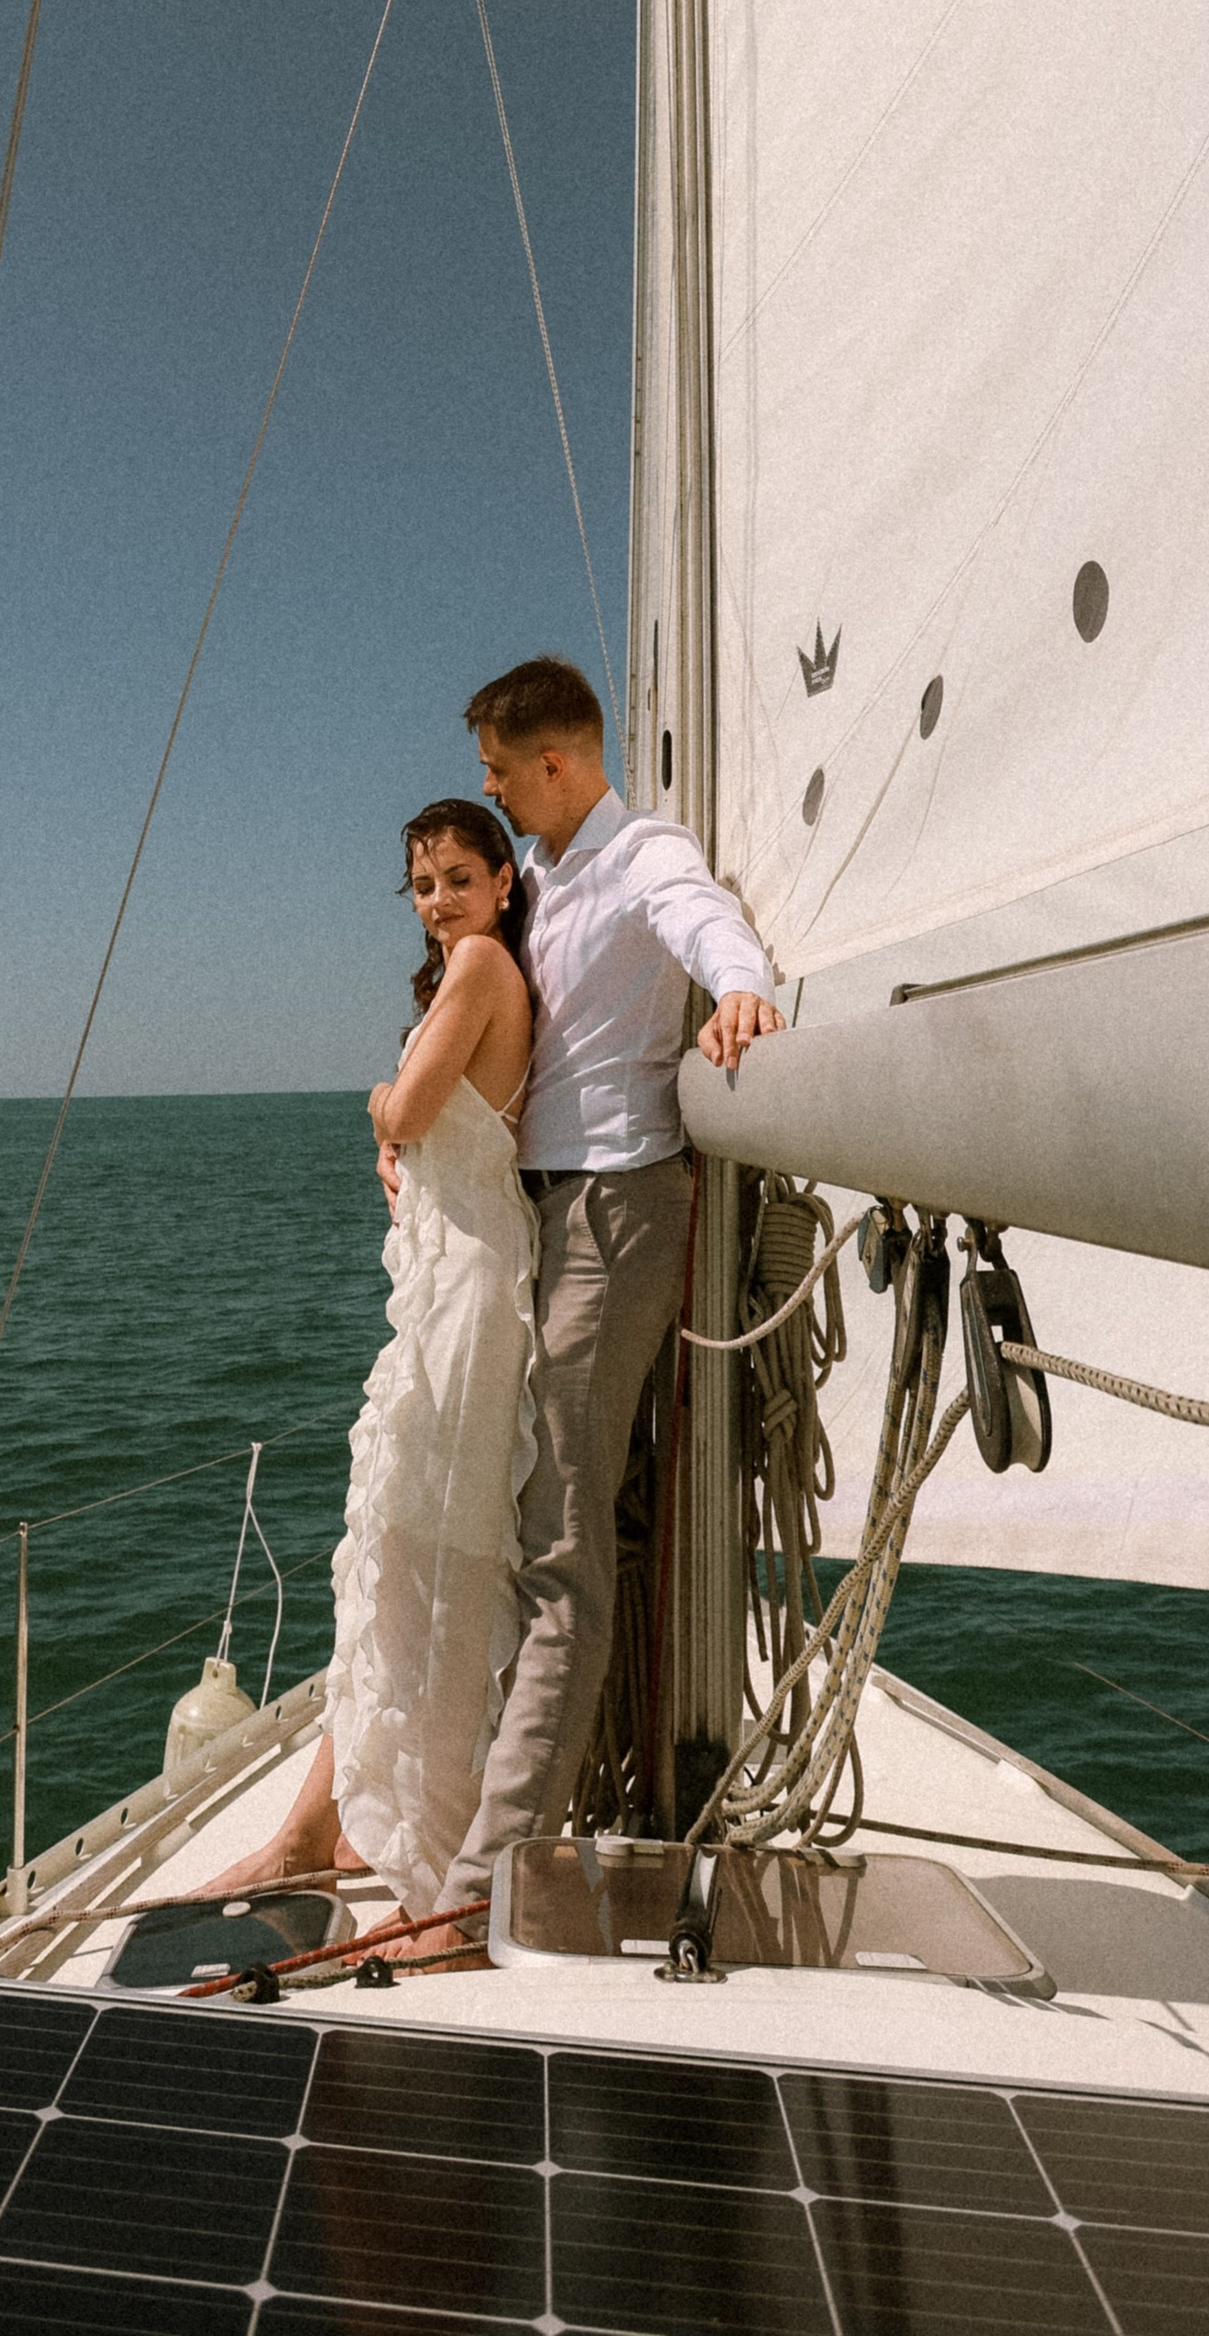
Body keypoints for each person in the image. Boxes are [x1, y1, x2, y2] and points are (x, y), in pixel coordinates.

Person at [434, 653, 781, 1922]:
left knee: (566, 1546)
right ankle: (529, 1809)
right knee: (547, 1515)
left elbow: (700, 914)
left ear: (558, 764)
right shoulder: (548, 874)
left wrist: (740, 985)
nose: (489, 790)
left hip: (614, 1207)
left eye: (500, 770)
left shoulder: (639, 854)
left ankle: (488, 1887)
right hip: (544, 1208)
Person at [198, 797, 538, 1913]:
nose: (439, 903)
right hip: (441, 1288)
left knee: (426, 1572)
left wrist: (376, 1108)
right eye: (422, 885)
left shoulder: (483, 965)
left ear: (500, 878)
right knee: (395, 1569)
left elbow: (413, 1103)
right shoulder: (466, 970)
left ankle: (425, 1854)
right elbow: (423, 1130)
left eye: (456, 877)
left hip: (467, 1304)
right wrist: (400, 1138)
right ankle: (321, 1828)